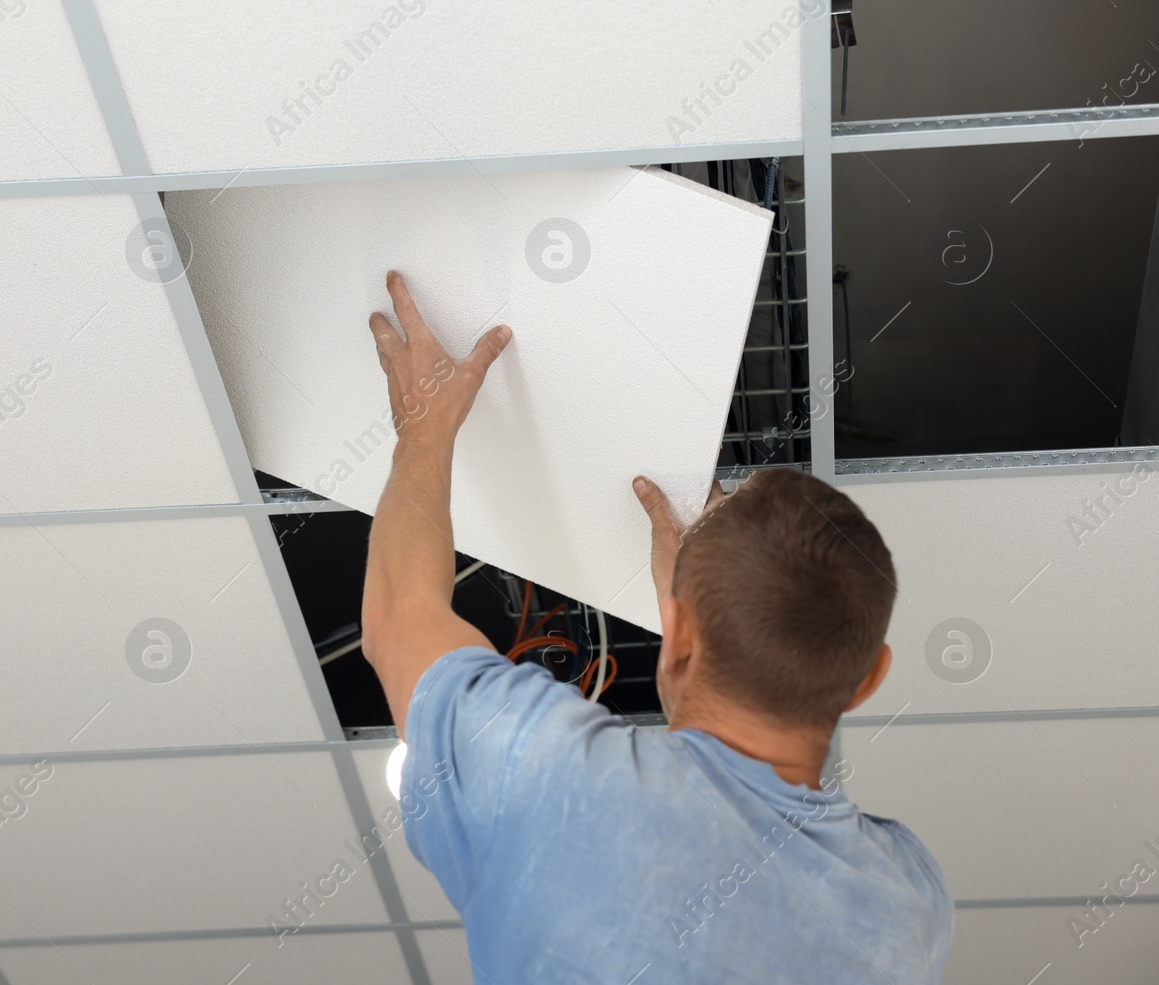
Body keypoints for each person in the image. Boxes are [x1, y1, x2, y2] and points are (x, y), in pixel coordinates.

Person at [360, 271, 952, 983]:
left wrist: (422, 430)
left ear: (683, 633)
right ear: (868, 678)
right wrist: (695, 637)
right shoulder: (908, 901)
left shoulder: (549, 778)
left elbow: (397, 621)